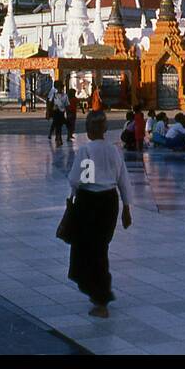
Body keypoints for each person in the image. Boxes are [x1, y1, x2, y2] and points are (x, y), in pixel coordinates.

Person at [66, 109, 132, 318]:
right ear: (104, 129)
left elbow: (77, 179)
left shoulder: (86, 151)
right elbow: (124, 180)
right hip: (109, 202)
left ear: (88, 129)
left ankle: (101, 297)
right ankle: (99, 294)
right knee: (100, 249)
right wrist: (127, 208)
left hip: (90, 203)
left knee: (87, 250)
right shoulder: (113, 151)